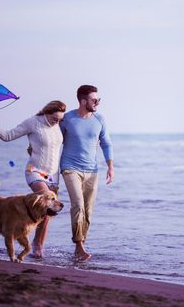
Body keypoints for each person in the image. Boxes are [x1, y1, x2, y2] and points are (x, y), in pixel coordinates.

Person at [0, 100, 66, 259]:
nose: (57, 122)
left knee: (48, 210)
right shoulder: (33, 123)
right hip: (34, 171)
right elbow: (8, 136)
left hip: (53, 174)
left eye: (60, 120)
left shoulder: (57, 125)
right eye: (55, 119)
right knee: (45, 202)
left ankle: (37, 242)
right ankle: (31, 243)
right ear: (46, 112)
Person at [60, 85, 114, 261]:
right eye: (94, 100)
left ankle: (80, 244)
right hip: (70, 168)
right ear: (83, 101)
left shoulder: (99, 119)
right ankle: (79, 245)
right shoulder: (67, 119)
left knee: (88, 211)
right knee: (78, 205)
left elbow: (106, 143)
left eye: (98, 99)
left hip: (92, 170)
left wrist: (110, 166)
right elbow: (54, 140)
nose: (97, 102)